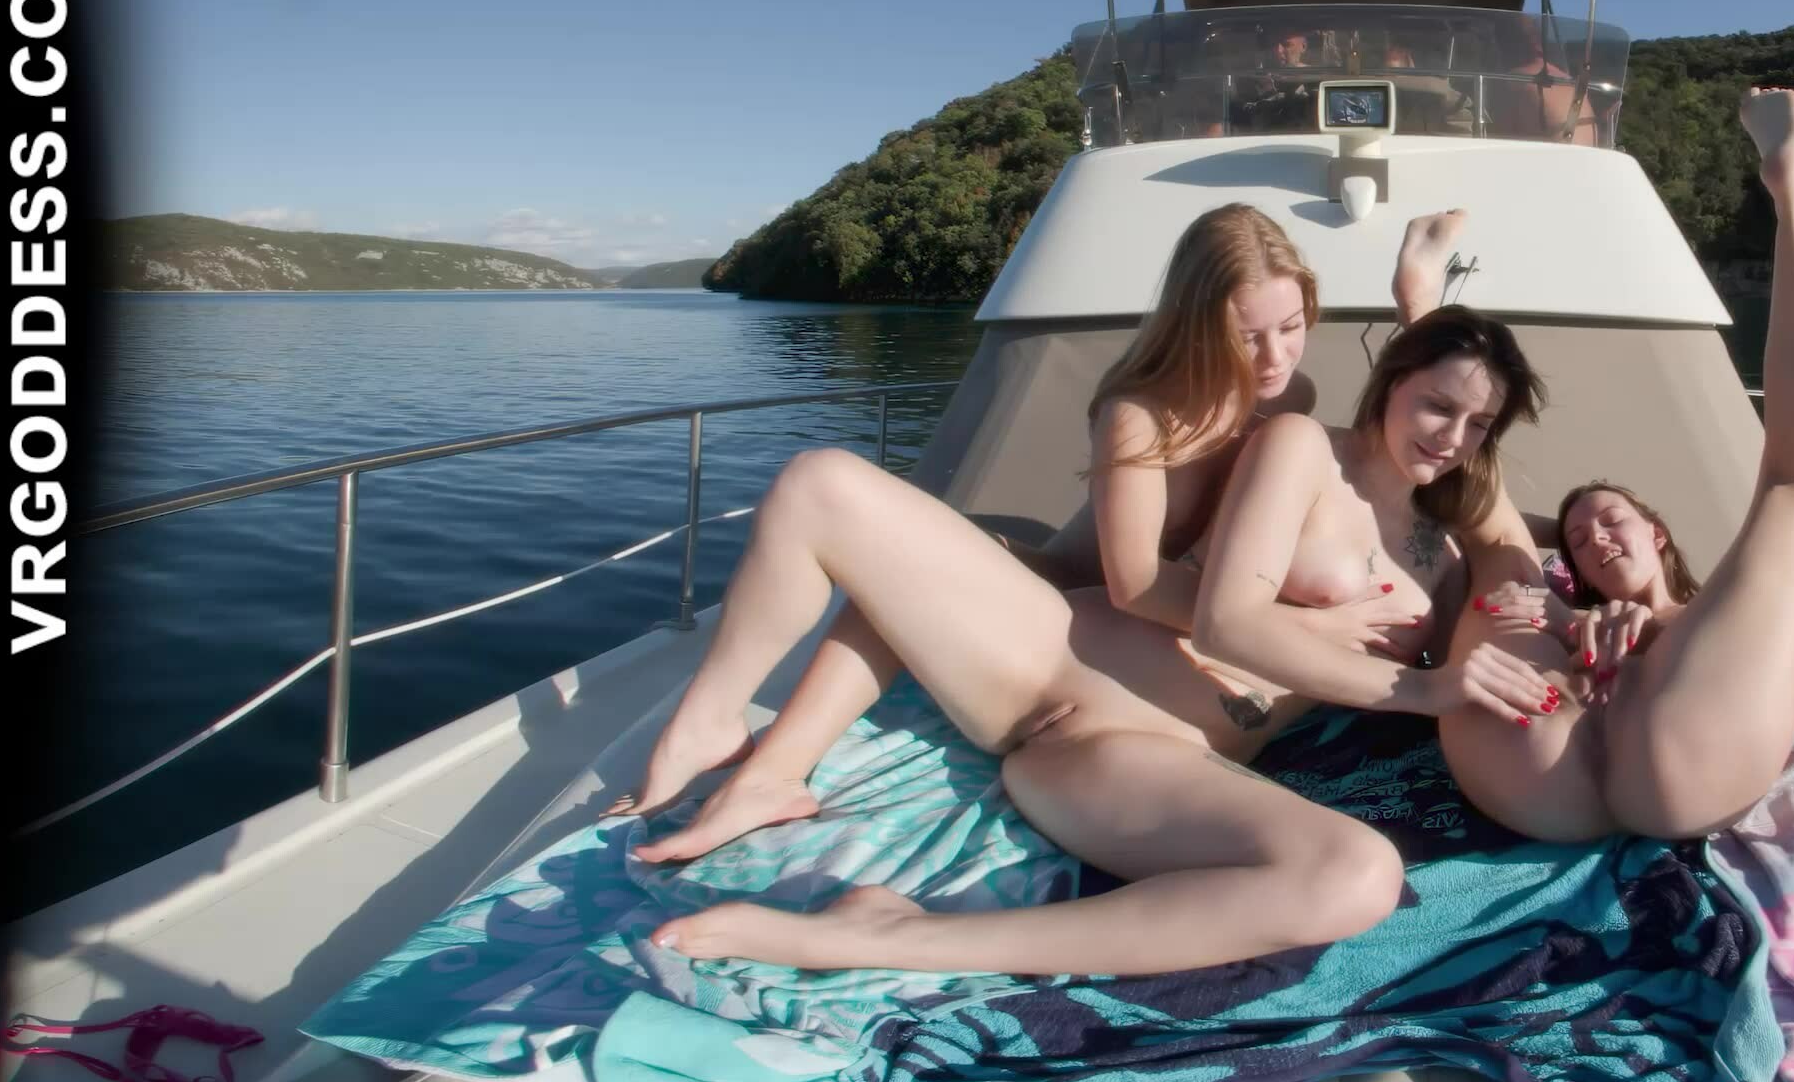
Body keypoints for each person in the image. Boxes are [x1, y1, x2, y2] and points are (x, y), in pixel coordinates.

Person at [622, 322, 1572, 978]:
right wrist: (1420, 688)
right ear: (1392, 381)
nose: (1452, 438)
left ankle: (885, 936)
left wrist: (1595, 612)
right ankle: (724, 744)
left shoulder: (1446, 551)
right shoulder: (1304, 450)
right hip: (1056, 652)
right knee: (822, 481)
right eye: (1436, 406)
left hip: (1141, 753)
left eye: (1478, 425)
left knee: (1358, 876)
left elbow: (1517, 580)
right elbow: (1226, 621)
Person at [622, 197, 1461, 866]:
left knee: (867, 547)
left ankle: (768, 770)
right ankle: (719, 729)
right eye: (1247, 337)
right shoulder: (1142, 414)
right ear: (1198, 325)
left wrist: (1417, 301)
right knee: (828, 499)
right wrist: (1290, 626)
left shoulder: (1288, 397)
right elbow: (1134, 585)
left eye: (1291, 326)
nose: (1275, 357)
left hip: (1119, 625)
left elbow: (1413, 419)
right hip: (1074, 587)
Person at [1418, 89, 1794, 841]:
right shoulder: (1556, 606)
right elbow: (1491, 513)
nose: (1596, 538)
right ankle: (1417, 306)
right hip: (1542, 759)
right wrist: (1567, 616)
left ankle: (1793, 200)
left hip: (1684, 752)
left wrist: (1651, 629)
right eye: (1578, 540)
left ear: (1659, 532)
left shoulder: (1712, 615)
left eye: (1610, 519)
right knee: (1496, 543)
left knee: (1793, 489)